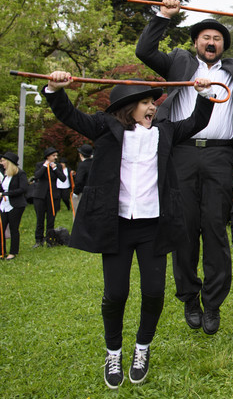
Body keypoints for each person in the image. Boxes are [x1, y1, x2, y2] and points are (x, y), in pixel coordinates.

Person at [44, 70, 214, 388]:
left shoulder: (164, 132)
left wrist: (204, 94)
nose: (153, 107)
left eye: (154, 102)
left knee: (153, 292)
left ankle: (142, 348)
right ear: (129, 107)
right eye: (146, 102)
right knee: (115, 294)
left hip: (154, 227)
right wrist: (54, 89)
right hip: (117, 227)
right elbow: (69, 114)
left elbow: (196, 123)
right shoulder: (105, 128)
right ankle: (113, 352)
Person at [136, 0, 233, 335]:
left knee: (215, 229)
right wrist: (163, 16)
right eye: (206, 38)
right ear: (196, 42)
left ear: (223, 45)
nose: (211, 43)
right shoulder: (178, 64)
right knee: (183, 229)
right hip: (181, 153)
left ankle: (213, 304)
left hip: (219, 157)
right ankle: (189, 297)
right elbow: (144, 50)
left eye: (218, 39)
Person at [29, 146, 66, 247]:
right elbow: (37, 176)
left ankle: (50, 239)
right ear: (48, 156)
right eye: (53, 156)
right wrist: (45, 166)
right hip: (40, 195)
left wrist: (55, 169)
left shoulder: (57, 166)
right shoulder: (40, 165)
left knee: (51, 218)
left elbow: (63, 178)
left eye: (56, 156)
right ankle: (38, 239)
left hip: (52, 195)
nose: (55, 157)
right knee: (40, 218)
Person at [0, 152, 29, 260]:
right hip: (4, 205)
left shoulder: (20, 174)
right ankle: (1, 251)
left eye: (3, 161)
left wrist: (5, 194)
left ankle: (13, 252)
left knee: (13, 228)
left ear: (9, 162)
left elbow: (23, 189)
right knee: (1, 228)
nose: (1, 163)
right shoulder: (5, 174)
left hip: (16, 205)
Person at [72, 144, 94, 212]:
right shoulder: (95, 163)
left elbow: (79, 180)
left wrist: (75, 192)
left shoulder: (82, 165)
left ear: (81, 155)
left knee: (78, 212)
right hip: (94, 192)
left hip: (83, 192)